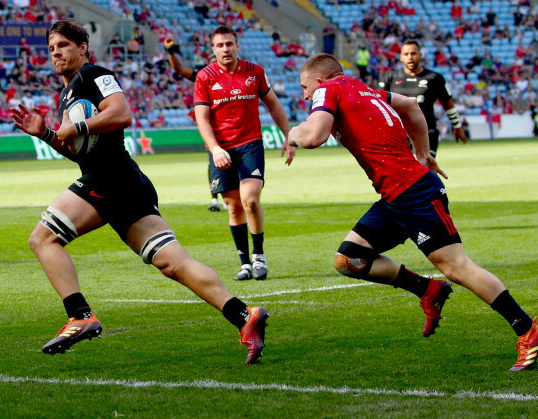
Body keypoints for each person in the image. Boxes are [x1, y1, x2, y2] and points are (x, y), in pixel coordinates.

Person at [10, 20, 268, 364]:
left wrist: (77, 126)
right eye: (52, 47)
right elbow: (77, 151)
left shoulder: (93, 74)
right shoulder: (68, 92)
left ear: (83, 48)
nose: (56, 52)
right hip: (123, 182)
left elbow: (122, 113)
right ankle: (243, 315)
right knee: (173, 262)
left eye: (64, 45)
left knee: (42, 239)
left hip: (109, 177)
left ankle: (80, 315)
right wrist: (47, 135)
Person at [288, 53, 538, 372]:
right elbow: (410, 106)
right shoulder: (364, 89)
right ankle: (427, 288)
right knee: (350, 259)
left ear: (319, 82)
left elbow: (314, 136)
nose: (304, 95)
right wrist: (423, 154)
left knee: (457, 266)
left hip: (414, 194)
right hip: (396, 195)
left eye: (304, 87)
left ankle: (526, 328)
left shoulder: (328, 90)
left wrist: (293, 134)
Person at [194, 25, 296, 281]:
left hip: (250, 143)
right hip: (221, 148)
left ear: (238, 46)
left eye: (229, 44)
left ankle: (259, 255)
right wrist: (215, 148)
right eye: (220, 45)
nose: (225, 49)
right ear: (213, 49)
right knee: (233, 207)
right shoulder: (205, 77)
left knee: (250, 200)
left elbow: (273, 103)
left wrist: (289, 136)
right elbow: (202, 118)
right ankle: (245, 263)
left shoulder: (254, 72)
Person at [164, 35, 226, 212]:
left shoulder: (235, 75)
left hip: (234, 124)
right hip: (213, 125)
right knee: (214, 159)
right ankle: (215, 199)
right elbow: (179, 69)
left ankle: (234, 196)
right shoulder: (204, 76)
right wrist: (171, 51)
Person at [379, 40, 468, 157]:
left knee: (425, 167)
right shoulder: (390, 78)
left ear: (420, 55)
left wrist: (457, 126)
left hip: (426, 133)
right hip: (399, 135)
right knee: (404, 173)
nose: (410, 57)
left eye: (413, 53)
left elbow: (447, 104)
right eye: (406, 54)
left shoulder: (434, 78)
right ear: (401, 57)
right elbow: (379, 105)